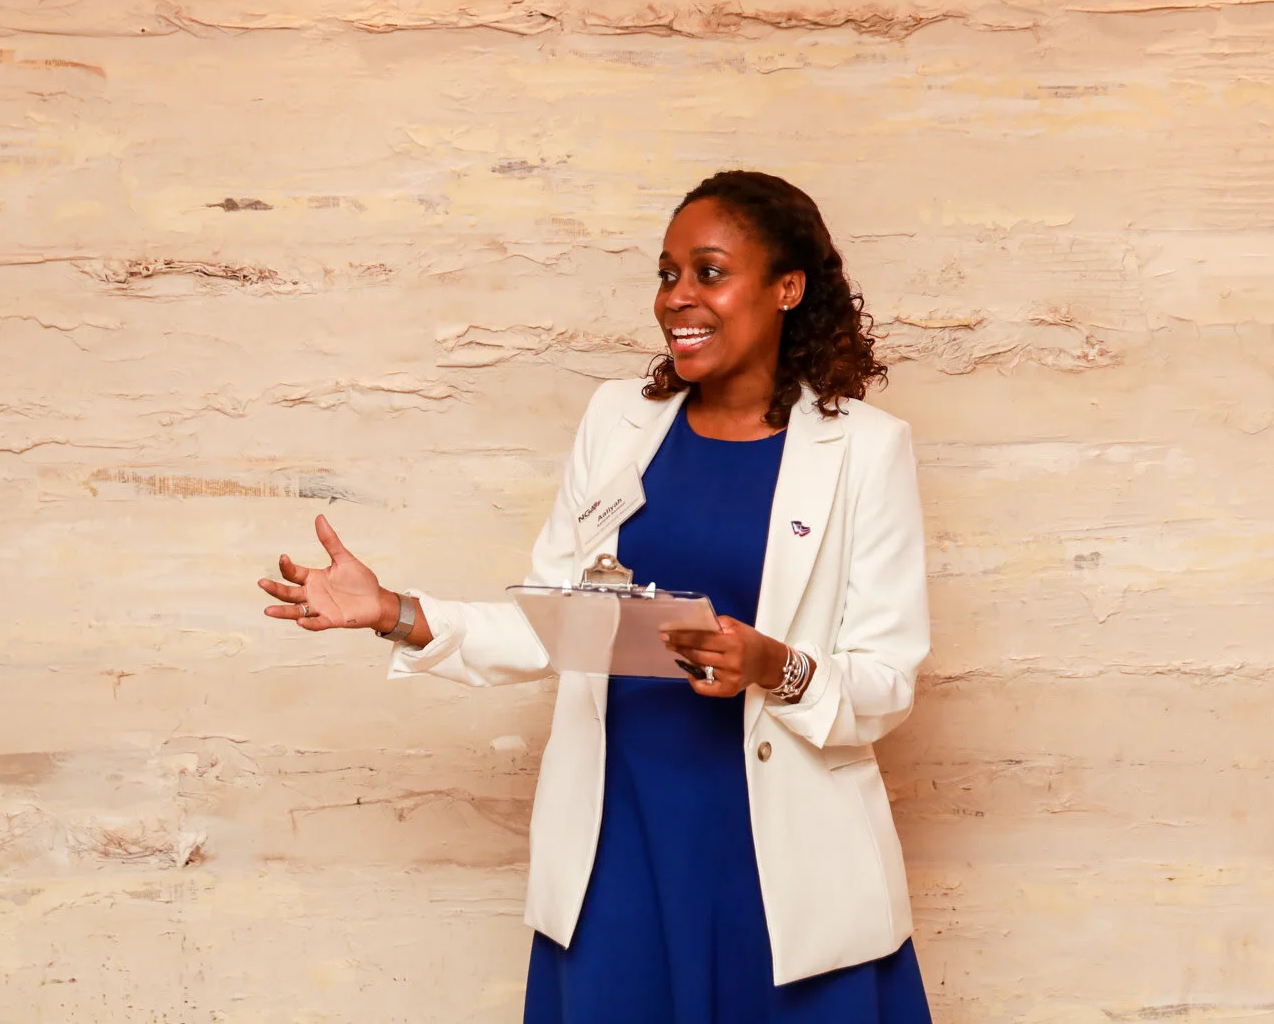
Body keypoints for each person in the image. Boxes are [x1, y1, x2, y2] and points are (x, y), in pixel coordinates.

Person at [257, 170, 934, 1023]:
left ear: (787, 287)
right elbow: (555, 622)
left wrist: (774, 665)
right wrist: (394, 609)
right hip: (620, 835)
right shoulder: (617, 424)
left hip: (783, 857)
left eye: (709, 272)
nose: (677, 296)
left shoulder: (866, 450)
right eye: (667, 273)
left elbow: (887, 680)